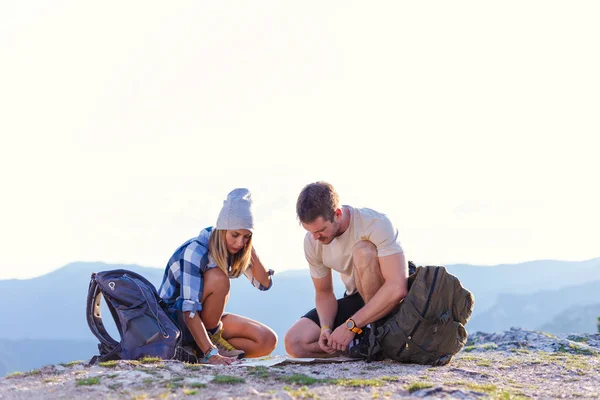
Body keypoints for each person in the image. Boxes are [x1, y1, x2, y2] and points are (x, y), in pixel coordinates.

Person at [284, 181, 408, 358]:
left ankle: (376, 334)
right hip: (355, 298)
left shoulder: (375, 223)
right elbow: (324, 292)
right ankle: (364, 347)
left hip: (387, 297)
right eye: (310, 232)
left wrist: (351, 325)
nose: (316, 237)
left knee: (362, 251)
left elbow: (397, 287)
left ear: (338, 214)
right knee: (295, 343)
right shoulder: (312, 241)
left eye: (321, 230)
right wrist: (326, 328)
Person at [158, 188, 277, 365]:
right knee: (219, 278)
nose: (240, 242)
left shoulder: (237, 247)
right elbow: (187, 308)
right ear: (222, 230)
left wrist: (249, 248)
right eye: (235, 235)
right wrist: (211, 353)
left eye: (246, 236)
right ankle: (206, 350)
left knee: (266, 340)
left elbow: (264, 284)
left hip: (207, 321)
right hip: (174, 321)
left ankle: (198, 350)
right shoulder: (195, 251)